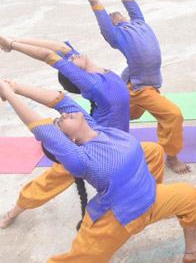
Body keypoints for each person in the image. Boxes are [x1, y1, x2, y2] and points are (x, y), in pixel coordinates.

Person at [0, 78, 196, 262]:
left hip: (150, 199)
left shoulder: (94, 128)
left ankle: (192, 252)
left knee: (191, 196)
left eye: (63, 114)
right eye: (59, 122)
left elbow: (59, 99)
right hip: (118, 219)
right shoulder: (79, 157)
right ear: (68, 141)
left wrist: (16, 86)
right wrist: (9, 94)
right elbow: (40, 127)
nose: (64, 114)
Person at [0, 35, 131, 230]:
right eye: (70, 61)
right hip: (90, 144)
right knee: (47, 184)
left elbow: (59, 47)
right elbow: (48, 56)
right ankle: (16, 210)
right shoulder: (93, 84)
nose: (72, 56)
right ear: (77, 76)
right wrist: (11, 45)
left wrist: (13, 40)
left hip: (112, 143)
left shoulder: (93, 69)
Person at [75, 0, 189, 174]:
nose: (114, 15)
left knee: (122, 116)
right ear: (110, 29)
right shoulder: (116, 35)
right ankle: (171, 157)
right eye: (110, 20)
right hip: (140, 89)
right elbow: (95, 3)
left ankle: (86, 128)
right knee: (173, 114)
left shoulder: (139, 21)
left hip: (142, 88)